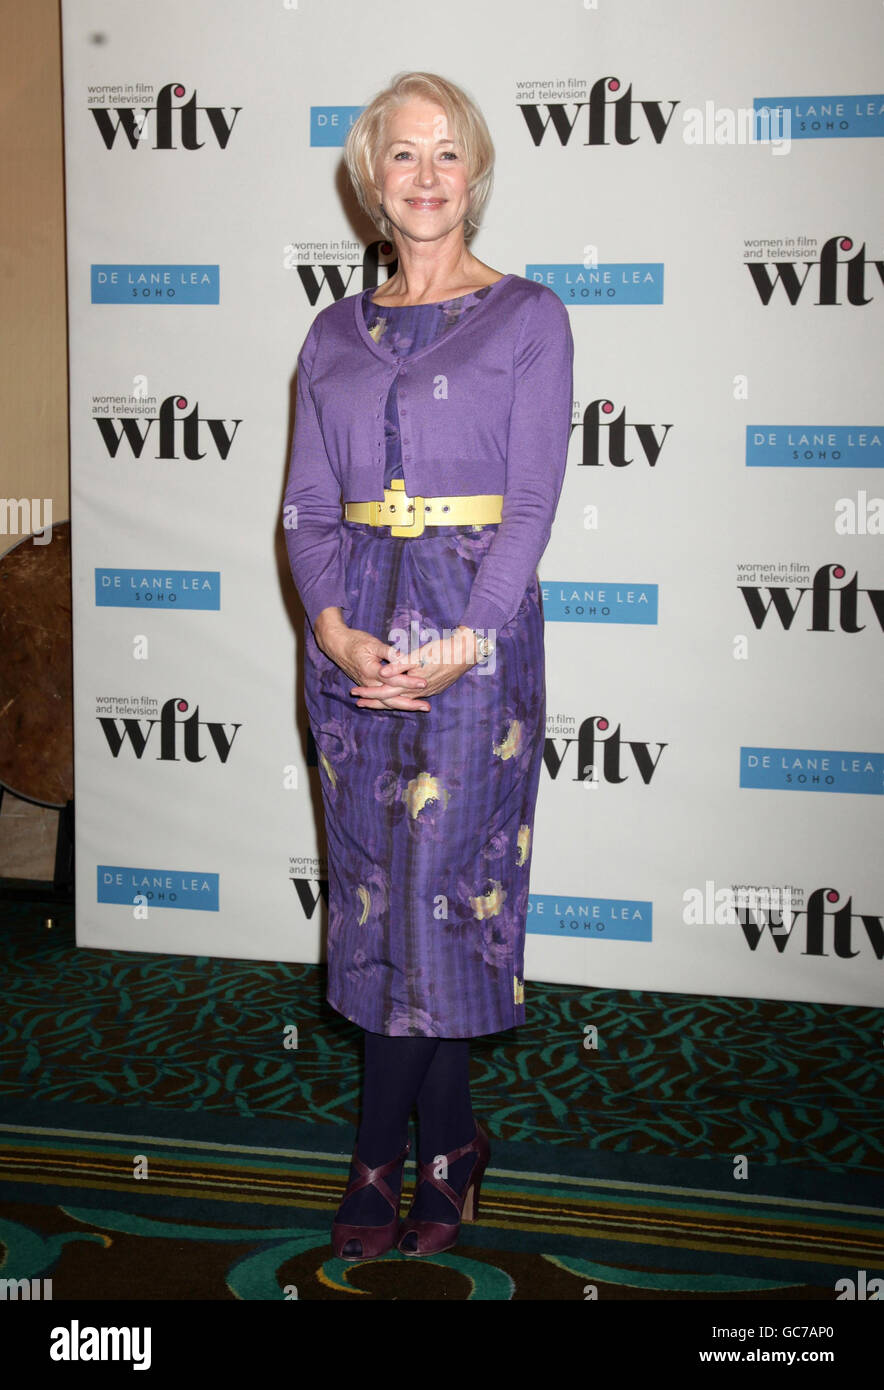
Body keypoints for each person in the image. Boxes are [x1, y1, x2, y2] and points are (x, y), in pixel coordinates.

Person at [283, 70, 573, 1260]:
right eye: (401, 154)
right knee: (373, 899)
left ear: (476, 176)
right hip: (354, 634)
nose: (424, 175)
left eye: (446, 154)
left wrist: (465, 643)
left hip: (475, 635)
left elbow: (532, 502)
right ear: (369, 176)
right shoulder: (327, 334)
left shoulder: (529, 317)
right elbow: (305, 507)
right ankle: (449, 1141)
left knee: (443, 902)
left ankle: (376, 1153)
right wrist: (332, 628)